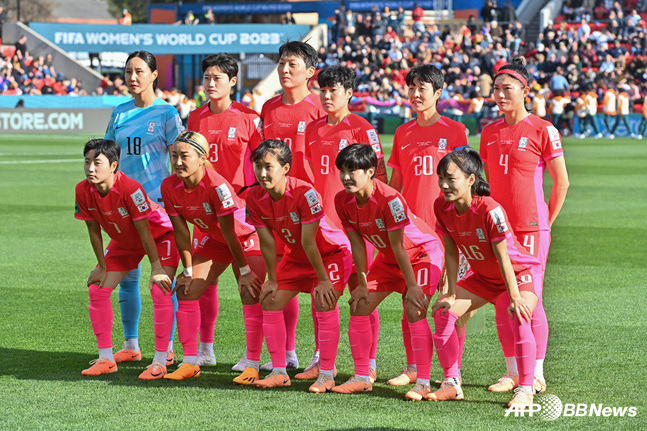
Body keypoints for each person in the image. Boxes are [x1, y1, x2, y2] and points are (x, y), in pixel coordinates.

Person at [480, 58, 569, 396]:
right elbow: (488, 183)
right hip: (499, 230)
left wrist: (545, 224)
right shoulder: (489, 132)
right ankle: (512, 372)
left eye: (508, 88)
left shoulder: (543, 128)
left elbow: (562, 183)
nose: (500, 94)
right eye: (497, 88)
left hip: (532, 231)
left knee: (530, 302)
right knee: (504, 298)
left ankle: (536, 370)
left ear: (525, 91)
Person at [429, 148, 543, 407]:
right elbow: (450, 251)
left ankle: (525, 389)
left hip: (518, 273)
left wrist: (514, 296)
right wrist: (450, 291)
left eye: (451, 178)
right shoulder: (441, 207)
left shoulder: (490, 209)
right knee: (443, 313)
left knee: (520, 314)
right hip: (483, 278)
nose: (444, 185)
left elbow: (504, 258)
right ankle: (451, 382)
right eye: (441, 178)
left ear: (471, 180)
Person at [334, 144, 443, 399]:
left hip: (422, 255)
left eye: (353, 171)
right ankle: (362, 376)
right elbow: (358, 244)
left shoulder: (390, 199)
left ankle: (423, 381)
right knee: (359, 305)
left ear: (371, 171)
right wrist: (361, 283)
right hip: (388, 259)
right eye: (343, 171)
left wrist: (413, 286)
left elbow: (399, 245)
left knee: (414, 309)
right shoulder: (342, 200)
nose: (346, 177)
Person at [302, 65, 387, 382]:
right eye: (322, 90)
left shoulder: (363, 128)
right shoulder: (313, 130)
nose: (326, 96)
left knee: (361, 290)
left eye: (332, 90)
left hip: (358, 225)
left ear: (349, 93)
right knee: (319, 290)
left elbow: (379, 176)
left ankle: (370, 361)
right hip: (324, 226)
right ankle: (322, 359)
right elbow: (313, 174)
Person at [246, 140, 352, 392]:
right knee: (270, 301)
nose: (262, 173)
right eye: (258, 166)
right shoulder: (253, 196)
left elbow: (310, 241)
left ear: (286, 168)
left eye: (268, 167)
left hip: (330, 255)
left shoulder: (305, 192)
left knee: (324, 301)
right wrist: (271, 278)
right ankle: (279, 371)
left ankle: (326, 373)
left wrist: (324, 280)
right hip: (297, 257)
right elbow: (268, 243)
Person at [160, 131, 266, 382]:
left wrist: (243, 272)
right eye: (174, 156)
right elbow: (182, 234)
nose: (177, 162)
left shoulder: (217, 185)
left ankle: (252, 364)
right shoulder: (169, 186)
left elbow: (231, 232)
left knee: (249, 290)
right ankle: (190, 362)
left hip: (245, 236)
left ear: (202, 158)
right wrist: (186, 272)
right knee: (186, 290)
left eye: (184, 156)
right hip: (218, 240)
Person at [387, 64, 468, 387]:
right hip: (414, 234)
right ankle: (414, 367)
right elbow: (395, 184)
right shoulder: (402, 132)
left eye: (423, 89)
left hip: (448, 230)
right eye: (412, 88)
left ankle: (454, 371)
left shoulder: (456, 131)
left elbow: (465, 184)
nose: (416, 94)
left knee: (452, 303)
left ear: (438, 93)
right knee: (413, 300)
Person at [105, 50, 184, 366]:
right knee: (127, 277)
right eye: (128, 71)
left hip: (157, 209)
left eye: (139, 71)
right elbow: (108, 157)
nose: (133, 77)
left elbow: (181, 159)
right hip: (124, 209)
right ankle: (131, 344)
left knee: (163, 278)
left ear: (154, 75)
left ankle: (166, 348)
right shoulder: (119, 113)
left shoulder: (166, 114)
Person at [75, 139, 178, 379]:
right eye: (87, 162)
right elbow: (93, 230)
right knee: (97, 290)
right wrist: (102, 266)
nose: (90, 168)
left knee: (160, 288)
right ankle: (106, 359)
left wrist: (156, 268)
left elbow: (145, 231)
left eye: (97, 163)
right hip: (125, 241)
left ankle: (162, 360)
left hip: (159, 236)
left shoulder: (130, 188)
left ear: (113, 166)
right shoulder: (82, 190)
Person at [187, 53, 264, 369]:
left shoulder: (249, 117)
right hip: (205, 214)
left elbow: (263, 163)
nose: (210, 83)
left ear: (233, 81)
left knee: (249, 284)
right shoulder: (195, 118)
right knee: (198, 285)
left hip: (242, 212)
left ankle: (253, 354)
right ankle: (205, 349)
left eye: (217, 78)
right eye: (207, 77)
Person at [260, 41, 327, 372]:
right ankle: (286, 354)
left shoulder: (319, 107)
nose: (285, 70)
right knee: (283, 277)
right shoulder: (269, 108)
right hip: (278, 207)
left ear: (310, 72)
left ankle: (319, 356)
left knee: (317, 282)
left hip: (311, 208)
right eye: (282, 64)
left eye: (292, 65)